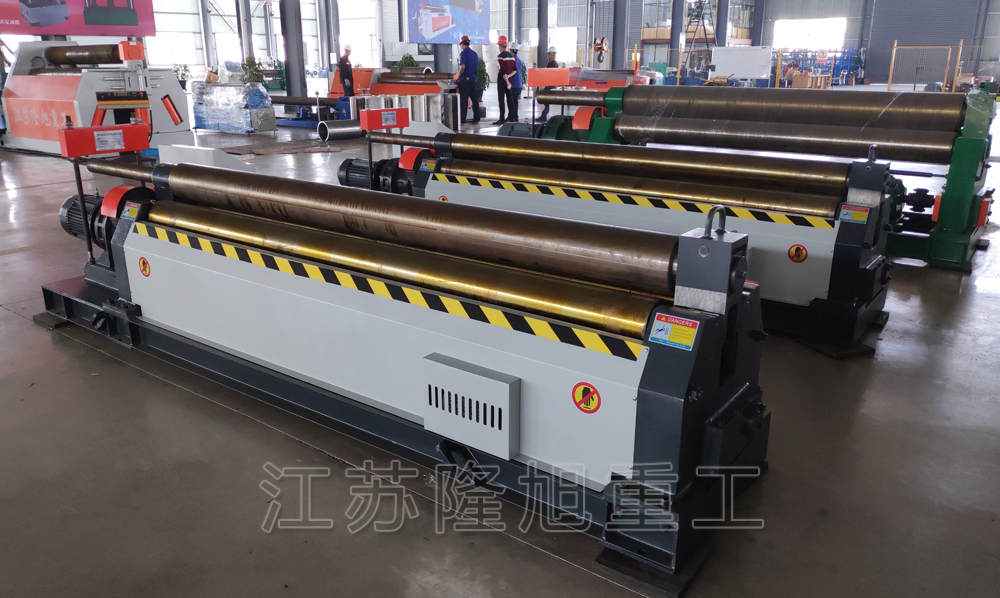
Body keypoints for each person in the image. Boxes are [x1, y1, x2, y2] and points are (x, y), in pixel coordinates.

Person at [454, 35, 480, 124]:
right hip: (473, 80)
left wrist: (458, 75)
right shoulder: (475, 54)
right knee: (475, 101)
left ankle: (462, 120)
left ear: (462, 44)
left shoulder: (464, 53)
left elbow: (463, 67)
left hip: (465, 81)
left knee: (464, 101)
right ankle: (476, 119)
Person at [493, 36, 517, 125]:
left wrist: (506, 81)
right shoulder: (512, 56)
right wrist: (509, 78)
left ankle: (502, 119)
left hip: (502, 81)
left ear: (500, 46)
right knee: (510, 99)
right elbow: (515, 70)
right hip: (510, 79)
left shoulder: (500, 56)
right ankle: (512, 118)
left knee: (501, 99)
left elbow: (503, 71)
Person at [538, 46, 558, 121]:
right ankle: (544, 115)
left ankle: (544, 116)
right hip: (552, 85)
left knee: (546, 101)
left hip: (550, 85)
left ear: (552, 54)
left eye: (548, 54)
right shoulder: (555, 64)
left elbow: (548, 75)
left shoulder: (552, 64)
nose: (548, 56)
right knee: (547, 101)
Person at [508, 43, 524, 122]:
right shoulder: (520, 61)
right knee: (515, 101)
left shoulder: (512, 61)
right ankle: (515, 116)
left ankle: (511, 117)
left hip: (514, 84)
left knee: (510, 101)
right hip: (519, 84)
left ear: (511, 51)